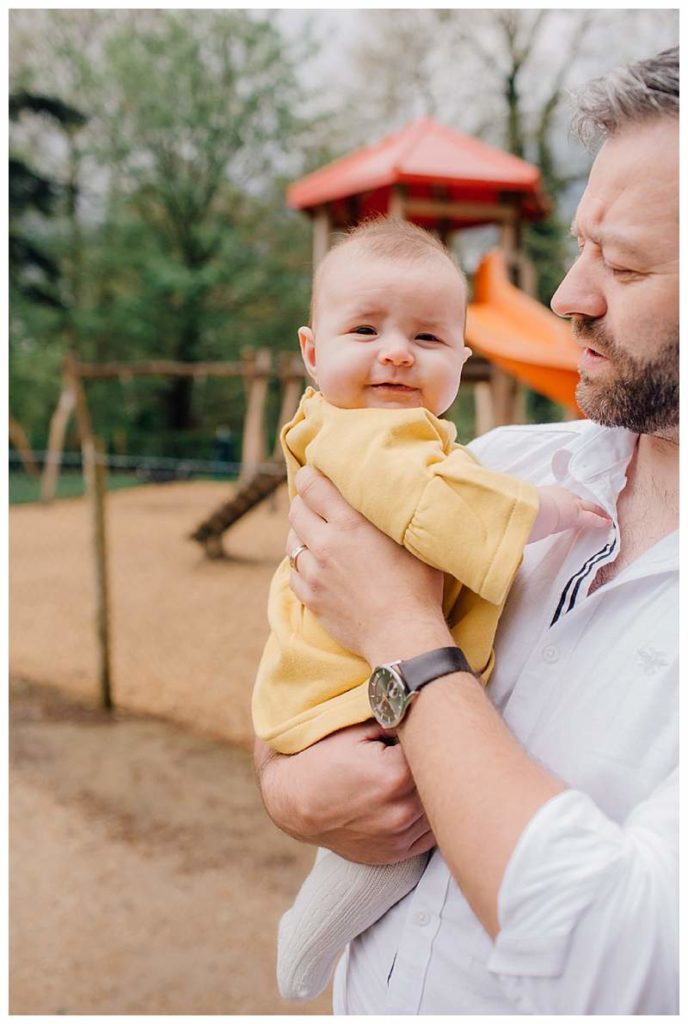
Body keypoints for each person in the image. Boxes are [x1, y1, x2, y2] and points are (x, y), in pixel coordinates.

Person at [256, 46, 679, 1014]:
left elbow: (629, 966)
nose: (568, 295)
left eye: (619, 262)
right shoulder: (503, 466)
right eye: (579, 247)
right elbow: (297, 660)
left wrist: (404, 638)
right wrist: (291, 786)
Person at [252, 218, 608, 1000]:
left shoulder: (415, 438)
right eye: (366, 329)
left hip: (341, 681)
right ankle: (308, 942)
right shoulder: (369, 438)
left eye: (428, 337)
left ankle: (314, 936)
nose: (397, 351)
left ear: (463, 360)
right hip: (340, 688)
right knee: (396, 830)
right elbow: (436, 507)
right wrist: (542, 511)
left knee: (399, 818)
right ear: (313, 353)